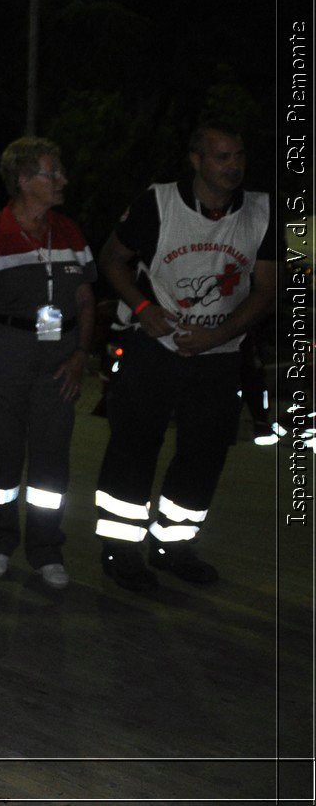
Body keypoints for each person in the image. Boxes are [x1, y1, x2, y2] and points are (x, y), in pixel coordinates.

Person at [93, 123, 273, 590]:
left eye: (238, 155)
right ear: (196, 160)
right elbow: (111, 259)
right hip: (154, 347)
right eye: (221, 157)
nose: (233, 166)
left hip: (219, 355)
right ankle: (121, 551)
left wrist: (219, 337)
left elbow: (267, 289)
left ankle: (173, 546)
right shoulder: (159, 203)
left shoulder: (261, 210)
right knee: (134, 448)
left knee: (205, 454)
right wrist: (143, 307)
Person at [0, 137, 95, 589]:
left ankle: (46, 549)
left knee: (51, 462)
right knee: (0, 453)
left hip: (58, 357)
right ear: (23, 181)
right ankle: (0, 541)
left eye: (60, 172)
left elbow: (85, 297)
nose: (62, 180)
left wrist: (81, 354)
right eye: (51, 172)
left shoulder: (70, 232)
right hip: (5, 355)